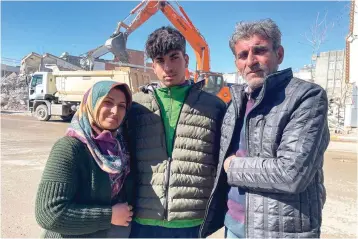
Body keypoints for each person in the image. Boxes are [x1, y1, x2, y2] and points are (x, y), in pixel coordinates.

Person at [202, 18, 330, 238]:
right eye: (243, 55)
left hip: (279, 231)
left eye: (259, 51)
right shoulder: (236, 103)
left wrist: (233, 167)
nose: (251, 61)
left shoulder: (306, 97)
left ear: (279, 54)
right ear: (236, 63)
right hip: (233, 225)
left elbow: (291, 174)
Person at [126, 26, 227, 238]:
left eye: (174, 58)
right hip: (143, 219)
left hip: (191, 220)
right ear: (153, 66)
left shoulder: (214, 107)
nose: (168, 67)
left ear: (186, 59)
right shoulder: (136, 106)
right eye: (160, 61)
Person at [35, 81, 135, 238]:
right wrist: (108, 216)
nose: (115, 111)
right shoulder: (70, 148)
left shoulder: (120, 148)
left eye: (122, 105)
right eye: (107, 102)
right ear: (91, 104)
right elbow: (49, 214)